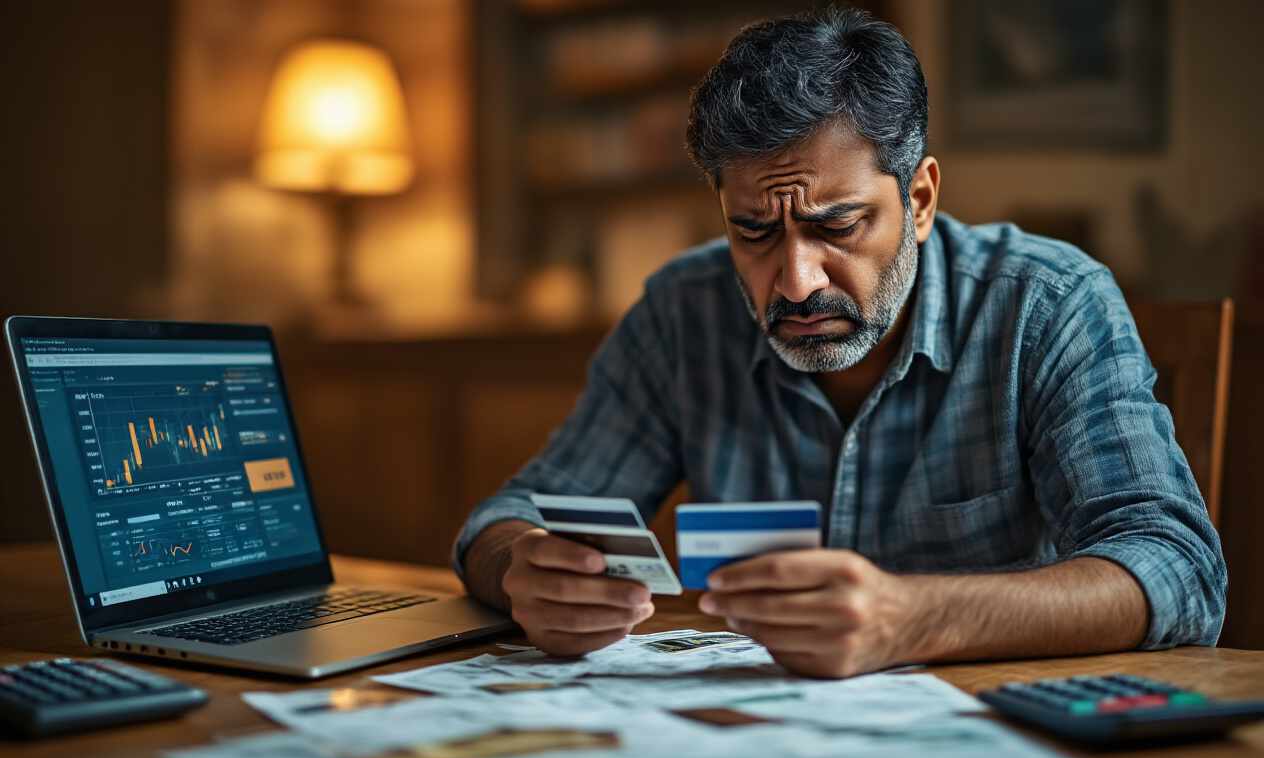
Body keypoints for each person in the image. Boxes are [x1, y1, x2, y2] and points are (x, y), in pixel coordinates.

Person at [453, 7, 1225, 678]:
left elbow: (1178, 569)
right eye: (754, 231)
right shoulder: (683, 314)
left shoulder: (1046, 305)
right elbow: (507, 519)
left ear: (919, 200)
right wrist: (522, 568)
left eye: (838, 226)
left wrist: (912, 618)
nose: (795, 282)